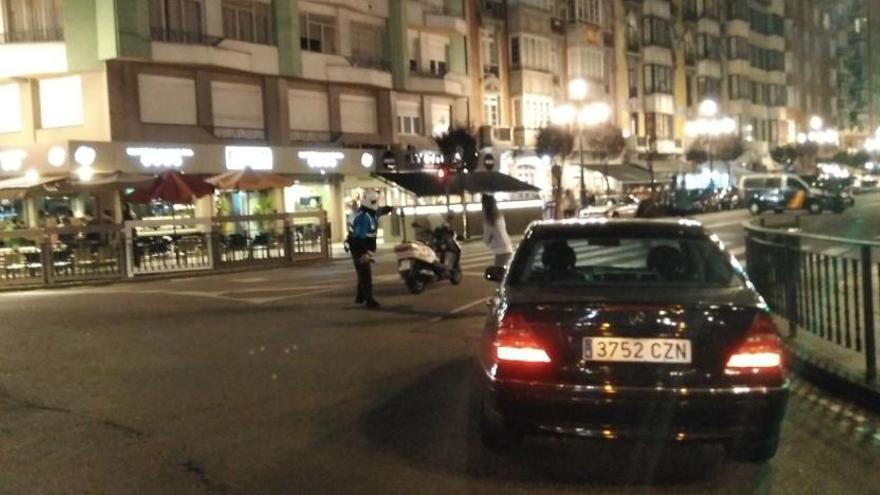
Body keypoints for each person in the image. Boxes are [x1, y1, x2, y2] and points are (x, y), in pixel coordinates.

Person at [348, 190, 392, 309]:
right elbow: (358, 238)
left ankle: (360, 297)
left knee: (362, 272)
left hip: (363, 248)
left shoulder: (371, 213)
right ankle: (369, 299)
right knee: (365, 273)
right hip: (359, 248)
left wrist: (389, 208)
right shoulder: (363, 218)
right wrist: (363, 253)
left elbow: (380, 211)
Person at [481, 194, 513, 267]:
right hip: (508, 247)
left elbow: (486, 237)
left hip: (500, 250)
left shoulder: (489, 220)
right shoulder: (499, 215)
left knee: (498, 273)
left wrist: (486, 241)